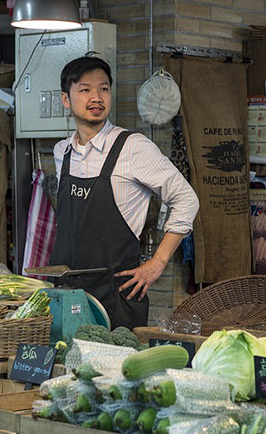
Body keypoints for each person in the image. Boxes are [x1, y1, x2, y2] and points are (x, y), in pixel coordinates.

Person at [50, 55, 199, 330]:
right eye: (85, 89)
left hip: (116, 297)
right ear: (66, 99)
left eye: (104, 89)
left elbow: (186, 199)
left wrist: (157, 263)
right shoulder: (63, 152)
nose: (96, 97)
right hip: (65, 295)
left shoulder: (133, 147)